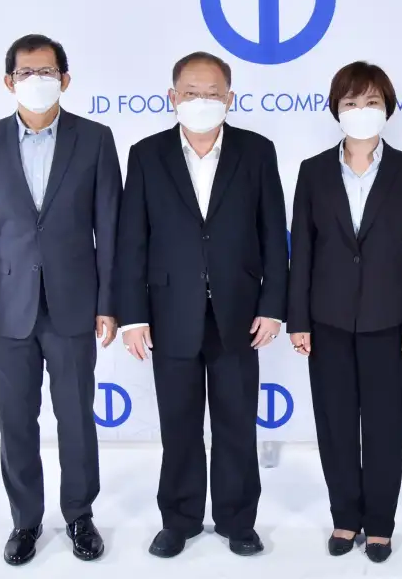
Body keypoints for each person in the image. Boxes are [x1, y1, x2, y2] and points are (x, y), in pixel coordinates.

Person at [0, 34, 121, 566]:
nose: (36, 81)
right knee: (16, 421)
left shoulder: (95, 139)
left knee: (76, 418)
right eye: (26, 73)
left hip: (74, 303)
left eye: (46, 71)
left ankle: (80, 515)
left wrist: (109, 302)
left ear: (65, 79)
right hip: (6, 308)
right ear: (9, 82)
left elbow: (109, 230)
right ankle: (25, 520)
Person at [116, 51, 288, 558]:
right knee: (179, 424)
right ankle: (180, 519)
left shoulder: (257, 151)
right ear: (172, 97)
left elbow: (273, 234)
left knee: (237, 422)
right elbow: (133, 240)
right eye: (191, 92)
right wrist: (132, 316)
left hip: (240, 312)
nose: (201, 101)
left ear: (230, 98)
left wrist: (273, 305)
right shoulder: (146, 155)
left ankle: (238, 520)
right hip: (170, 311)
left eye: (212, 93)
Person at [287, 62, 402, 564]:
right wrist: (298, 319)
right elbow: (302, 250)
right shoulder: (312, 171)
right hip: (325, 320)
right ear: (336, 110)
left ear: (387, 108)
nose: (361, 110)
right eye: (351, 102)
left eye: (371, 102)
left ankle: (381, 525)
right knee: (336, 425)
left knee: (385, 427)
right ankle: (345, 516)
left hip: (388, 322)